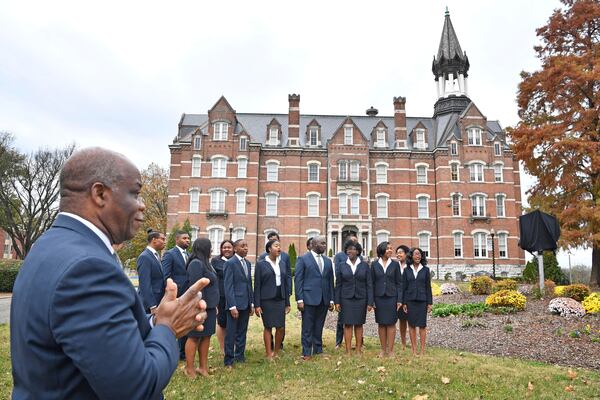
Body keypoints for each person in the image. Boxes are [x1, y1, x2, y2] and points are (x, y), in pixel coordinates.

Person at [10, 147, 208, 399]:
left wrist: (155, 322)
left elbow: (94, 338)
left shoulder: (47, 245)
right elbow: (135, 386)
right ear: (99, 193)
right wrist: (168, 328)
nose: (143, 205)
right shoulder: (87, 268)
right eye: (135, 193)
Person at [294, 236, 334, 360]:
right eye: (322, 243)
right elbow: (298, 280)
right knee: (307, 326)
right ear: (315, 244)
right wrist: (299, 299)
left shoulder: (327, 261)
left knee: (319, 325)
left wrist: (331, 299)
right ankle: (306, 352)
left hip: (323, 299)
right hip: (308, 299)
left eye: (325, 243)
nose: (325, 246)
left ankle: (318, 350)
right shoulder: (303, 259)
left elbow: (330, 281)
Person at [185, 238, 218, 378]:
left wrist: (213, 306)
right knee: (194, 337)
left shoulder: (207, 264)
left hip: (210, 307)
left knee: (206, 336)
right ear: (204, 248)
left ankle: (202, 368)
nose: (211, 250)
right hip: (199, 308)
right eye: (209, 247)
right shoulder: (195, 264)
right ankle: (189, 368)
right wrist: (200, 307)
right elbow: (195, 288)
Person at [254, 239, 291, 358]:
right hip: (266, 300)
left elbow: (285, 284)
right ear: (269, 249)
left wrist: (287, 302)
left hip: (280, 298)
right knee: (268, 326)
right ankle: (268, 353)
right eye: (276, 246)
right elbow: (257, 285)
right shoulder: (261, 264)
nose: (279, 248)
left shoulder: (282, 264)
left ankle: (276, 351)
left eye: (280, 246)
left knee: (280, 327)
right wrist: (257, 305)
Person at [334, 241, 373, 355]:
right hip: (346, 298)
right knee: (347, 324)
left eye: (353, 249)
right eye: (348, 249)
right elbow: (338, 284)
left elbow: (369, 284)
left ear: (358, 251)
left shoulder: (365, 265)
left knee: (359, 324)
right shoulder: (342, 265)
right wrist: (337, 301)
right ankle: (347, 350)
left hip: (361, 298)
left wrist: (370, 301)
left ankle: (358, 349)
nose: (350, 251)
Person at [223, 239, 254, 367]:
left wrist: (251, 303)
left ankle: (240, 356)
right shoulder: (230, 263)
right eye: (243, 246)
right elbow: (228, 286)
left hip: (246, 304)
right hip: (234, 305)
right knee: (231, 333)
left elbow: (249, 284)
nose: (246, 248)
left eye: (246, 245)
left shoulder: (247, 263)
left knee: (242, 331)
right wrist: (232, 306)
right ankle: (229, 359)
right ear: (235, 249)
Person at [162, 230, 191, 360]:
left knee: (185, 323)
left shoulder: (189, 255)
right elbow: (166, 275)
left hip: (188, 295)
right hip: (177, 295)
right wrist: (173, 293)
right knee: (174, 323)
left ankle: (183, 353)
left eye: (189, 238)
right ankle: (173, 351)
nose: (188, 240)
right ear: (177, 239)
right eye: (184, 238)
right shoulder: (170, 254)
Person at [371, 241, 402, 357]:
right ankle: (383, 350)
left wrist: (399, 300)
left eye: (391, 248)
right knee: (381, 324)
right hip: (378, 298)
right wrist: (371, 300)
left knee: (391, 323)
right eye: (388, 248)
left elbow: (399, 283)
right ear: (382, 250)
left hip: (391, 297)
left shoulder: (395, 264)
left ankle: (391, 350)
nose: (390, 250)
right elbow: (371, 283)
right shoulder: (374, 265)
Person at [400, 247, 433, 356]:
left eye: (419, 254)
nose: (418, 256)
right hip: (410, 301)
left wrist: (429, 303)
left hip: (422, 301)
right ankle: (414, 350)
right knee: (412, 325)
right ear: (411, 256)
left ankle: (422, 350)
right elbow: (404, 287)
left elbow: (428, 287)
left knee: (422, 325)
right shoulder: (406, 270)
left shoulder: (425, 270)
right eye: (416, 254)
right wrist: (404, 302)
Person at [333, 235, 358, 348]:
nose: (355, 244)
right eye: (353, 242)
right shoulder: (339, 256)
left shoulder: (359, 257)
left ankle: (360, 343)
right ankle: (339, 341)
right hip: (344, 292)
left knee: (358, 320)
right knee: (341, 319)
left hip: (357, 292)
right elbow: (338, 275)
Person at [211, 239, 235, 355]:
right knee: (222, 322)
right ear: (221, 249)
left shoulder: (237, 261)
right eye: (224, 247)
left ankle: (233, 346)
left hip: (235, 296)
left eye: (229, 247)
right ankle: (223, 348)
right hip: (221, 296)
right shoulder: (215, 261)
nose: (226, 249)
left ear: (233, 248)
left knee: (234, 322)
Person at [137, 229, 167, 313]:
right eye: (162, 239)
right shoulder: (145, 257)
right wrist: (152, 305)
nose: (165, 242)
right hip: (148, 306)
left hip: (158, 301)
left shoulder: (155, 256)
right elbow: (144, 284)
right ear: (154, 240)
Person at [395, 245, 410, 350]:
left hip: (408, 297)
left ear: (406, 254)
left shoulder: (410, 267)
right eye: (397, 252)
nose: (398, 254)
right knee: (402, 320)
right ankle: (403, 342)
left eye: (400, 252)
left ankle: (413, 340)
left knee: (412, 320)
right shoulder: (395, 266)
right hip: (397, 297)